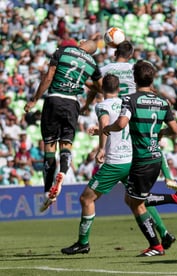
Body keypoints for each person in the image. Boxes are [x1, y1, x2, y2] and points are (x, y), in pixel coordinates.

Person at [61, 74, 177, 255]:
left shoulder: (102, 105)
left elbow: (105, 124)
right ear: (119, 89)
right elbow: (122, 126)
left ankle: (83, 242)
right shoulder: (127, 102)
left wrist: (101, 148)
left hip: (115, 163)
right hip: (132, 159)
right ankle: (164, 232)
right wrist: (100, 132)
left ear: (102, 89)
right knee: (138, 199)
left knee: (86, 199)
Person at [102, 60, 177, 257]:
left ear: (134, 79)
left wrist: (107, 128)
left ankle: (156, 245)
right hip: (156, 157)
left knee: (136, 203)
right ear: (152, 78)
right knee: (133, 199)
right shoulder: (163, 102)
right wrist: (160, 133)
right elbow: (176, 130)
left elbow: (121, 124)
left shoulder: (130, 99)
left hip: (141, 159)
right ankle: (172, 205)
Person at [24, 39, 103, 212]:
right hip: (72, 104)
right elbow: (100, 87)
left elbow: (49, 76)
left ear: (81, 44)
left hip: (54, 99)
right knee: (66, 143)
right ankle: (64, 172)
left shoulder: (63, 52)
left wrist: (34, 99)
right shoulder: (92, 63)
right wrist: (87, 104)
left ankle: (47, 190)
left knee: (49, 146)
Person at [96, 40, 177, 191]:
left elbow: (95, 85)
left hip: (121, 109)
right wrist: (158, 99)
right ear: (130, 54)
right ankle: (169, 176)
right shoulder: (133, 68)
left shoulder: (104, 69)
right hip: (139, 109)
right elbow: (148, 87)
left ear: (115, 52)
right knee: (150, 141)